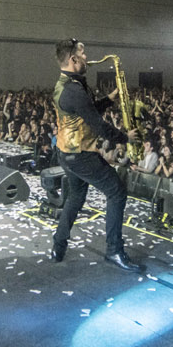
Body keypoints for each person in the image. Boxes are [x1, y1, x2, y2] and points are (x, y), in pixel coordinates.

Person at [49, 39, 145, 272]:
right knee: (116, 191)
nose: (87, 58)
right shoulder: (74, 90)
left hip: (66, 153)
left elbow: (86, 111)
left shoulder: (66, 84)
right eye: (83, 54)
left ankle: (58, 246)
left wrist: (110, 99)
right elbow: (98, 125)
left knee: (75, 197)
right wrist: (125, 138)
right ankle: (114, 251)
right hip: (81, 155)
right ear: (73, 59)